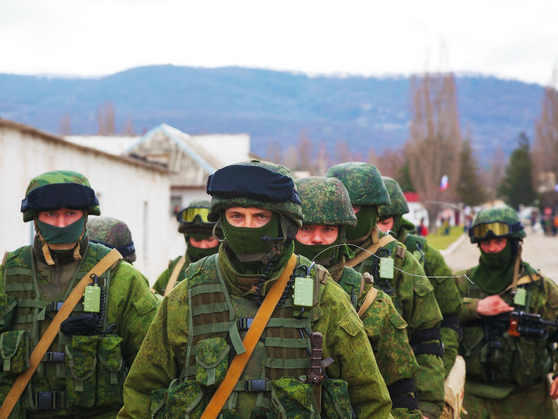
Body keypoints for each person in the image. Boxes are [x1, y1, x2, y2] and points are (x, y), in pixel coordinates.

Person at [118, 160, 393, 418]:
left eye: (260, 216)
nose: (247, 227)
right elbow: (143, 391)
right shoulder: (189, 293)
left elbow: (369, 398)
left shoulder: (323, 294)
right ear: (222, 222)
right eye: (236, 216)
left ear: (284, 222)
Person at [0, 170, 161, 419]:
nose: (61, 224)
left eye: (70, 213)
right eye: (51, 214)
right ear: (35, 218)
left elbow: (152, 369)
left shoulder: (122, 280)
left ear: (85, 216)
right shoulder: (0, 280)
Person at [294, 176, 422, 418]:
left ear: (342, 233)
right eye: (306, 229)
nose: (317, 239)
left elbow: (401, 388)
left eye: (328, 230)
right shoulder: (265, 289)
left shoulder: (371, 300)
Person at [327, 162, 445, 419]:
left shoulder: (400, 261)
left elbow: (428, 340)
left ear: (374, 210)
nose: (349, 215)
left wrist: (426, 408)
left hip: (388, 402)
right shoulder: (310, 256)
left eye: (356, 207)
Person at [455, 206, 558, 418]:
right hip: (472, 400)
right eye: (486, 242)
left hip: (528, 401)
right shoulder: (462, 284)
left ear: (513, 244)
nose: (492, 248)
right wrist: (474, 308)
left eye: (499, 242)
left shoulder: (540, 288)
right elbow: (432, 321)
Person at [377, 176, 463, 377]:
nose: (377, 230)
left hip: (416, 373)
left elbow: (450, 318)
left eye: (384, 222)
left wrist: (439, 372)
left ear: (398, 219)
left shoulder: (424, 255)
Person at [152, 199, 221, 295]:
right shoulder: (174, 272)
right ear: (187, 240)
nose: (203, 246)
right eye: (196, 240)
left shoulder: (232, 270)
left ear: (220, 239)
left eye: (209, 240)